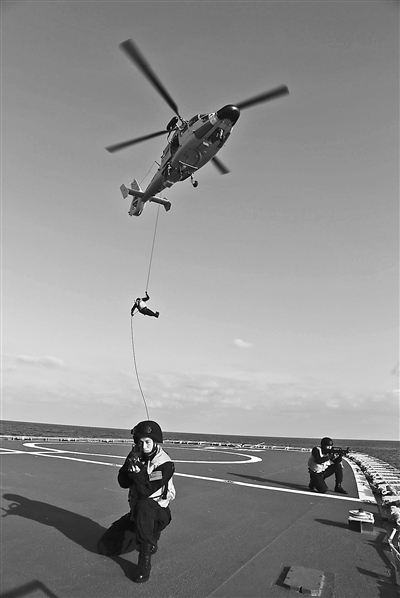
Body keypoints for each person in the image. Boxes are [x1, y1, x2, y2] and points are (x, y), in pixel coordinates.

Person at [98, 420, 175, 584]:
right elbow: (122, 482)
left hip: (157, 514)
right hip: (137, 514)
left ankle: (145, 559)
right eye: (140, 442)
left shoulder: (165, 464)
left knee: (144, 504)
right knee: (105, 547)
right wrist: (129, 467)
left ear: (155, 442)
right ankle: (143, 535)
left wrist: (138, 474)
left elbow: (146, 489)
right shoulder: (135, 455)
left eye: (148, 442)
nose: (144, 446)